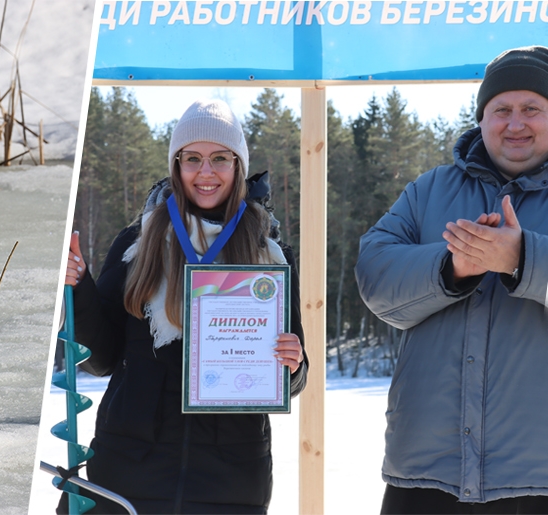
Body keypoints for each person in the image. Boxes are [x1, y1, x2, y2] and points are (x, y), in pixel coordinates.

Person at [62, 99, 307, 514]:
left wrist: (294, 363)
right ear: (176, 165)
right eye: (192, 158)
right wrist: (78, 286)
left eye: (220, 159)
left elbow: (294, 379)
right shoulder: (137, 243)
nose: (206, 172)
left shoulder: (270, 254)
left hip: (231, 479)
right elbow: (100, 358)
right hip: (129, 471)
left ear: (238, 166)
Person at [357, 46, 548, 513]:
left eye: (532, 109)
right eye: (501, 109)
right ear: (481, 119)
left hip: (537, 477)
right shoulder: (428, 190)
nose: (515, 123)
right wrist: (454, 266)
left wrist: (522, 258)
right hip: (425, 472)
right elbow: (375, 273)